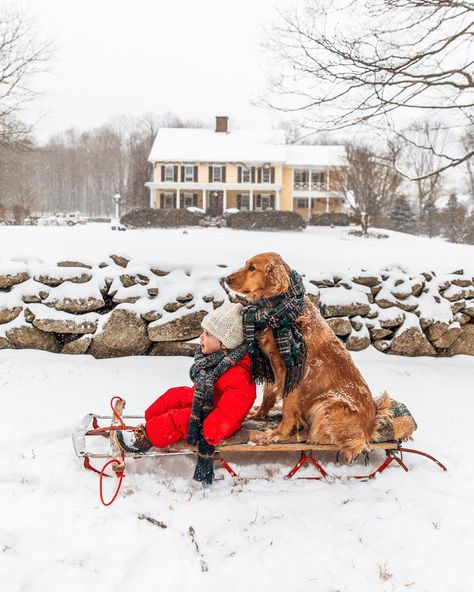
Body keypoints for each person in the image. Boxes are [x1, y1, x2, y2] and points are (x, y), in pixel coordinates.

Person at [117, 301, 256, 483]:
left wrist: (210, 430)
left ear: (224, 343)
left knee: (180, 418)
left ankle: (147, 439)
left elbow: (232, 410)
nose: (201, 338)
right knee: (174, 395)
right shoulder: (222, 360)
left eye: (207, 334)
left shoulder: (239, 376)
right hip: (210, 402)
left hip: (218, 422)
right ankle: (151, 424)